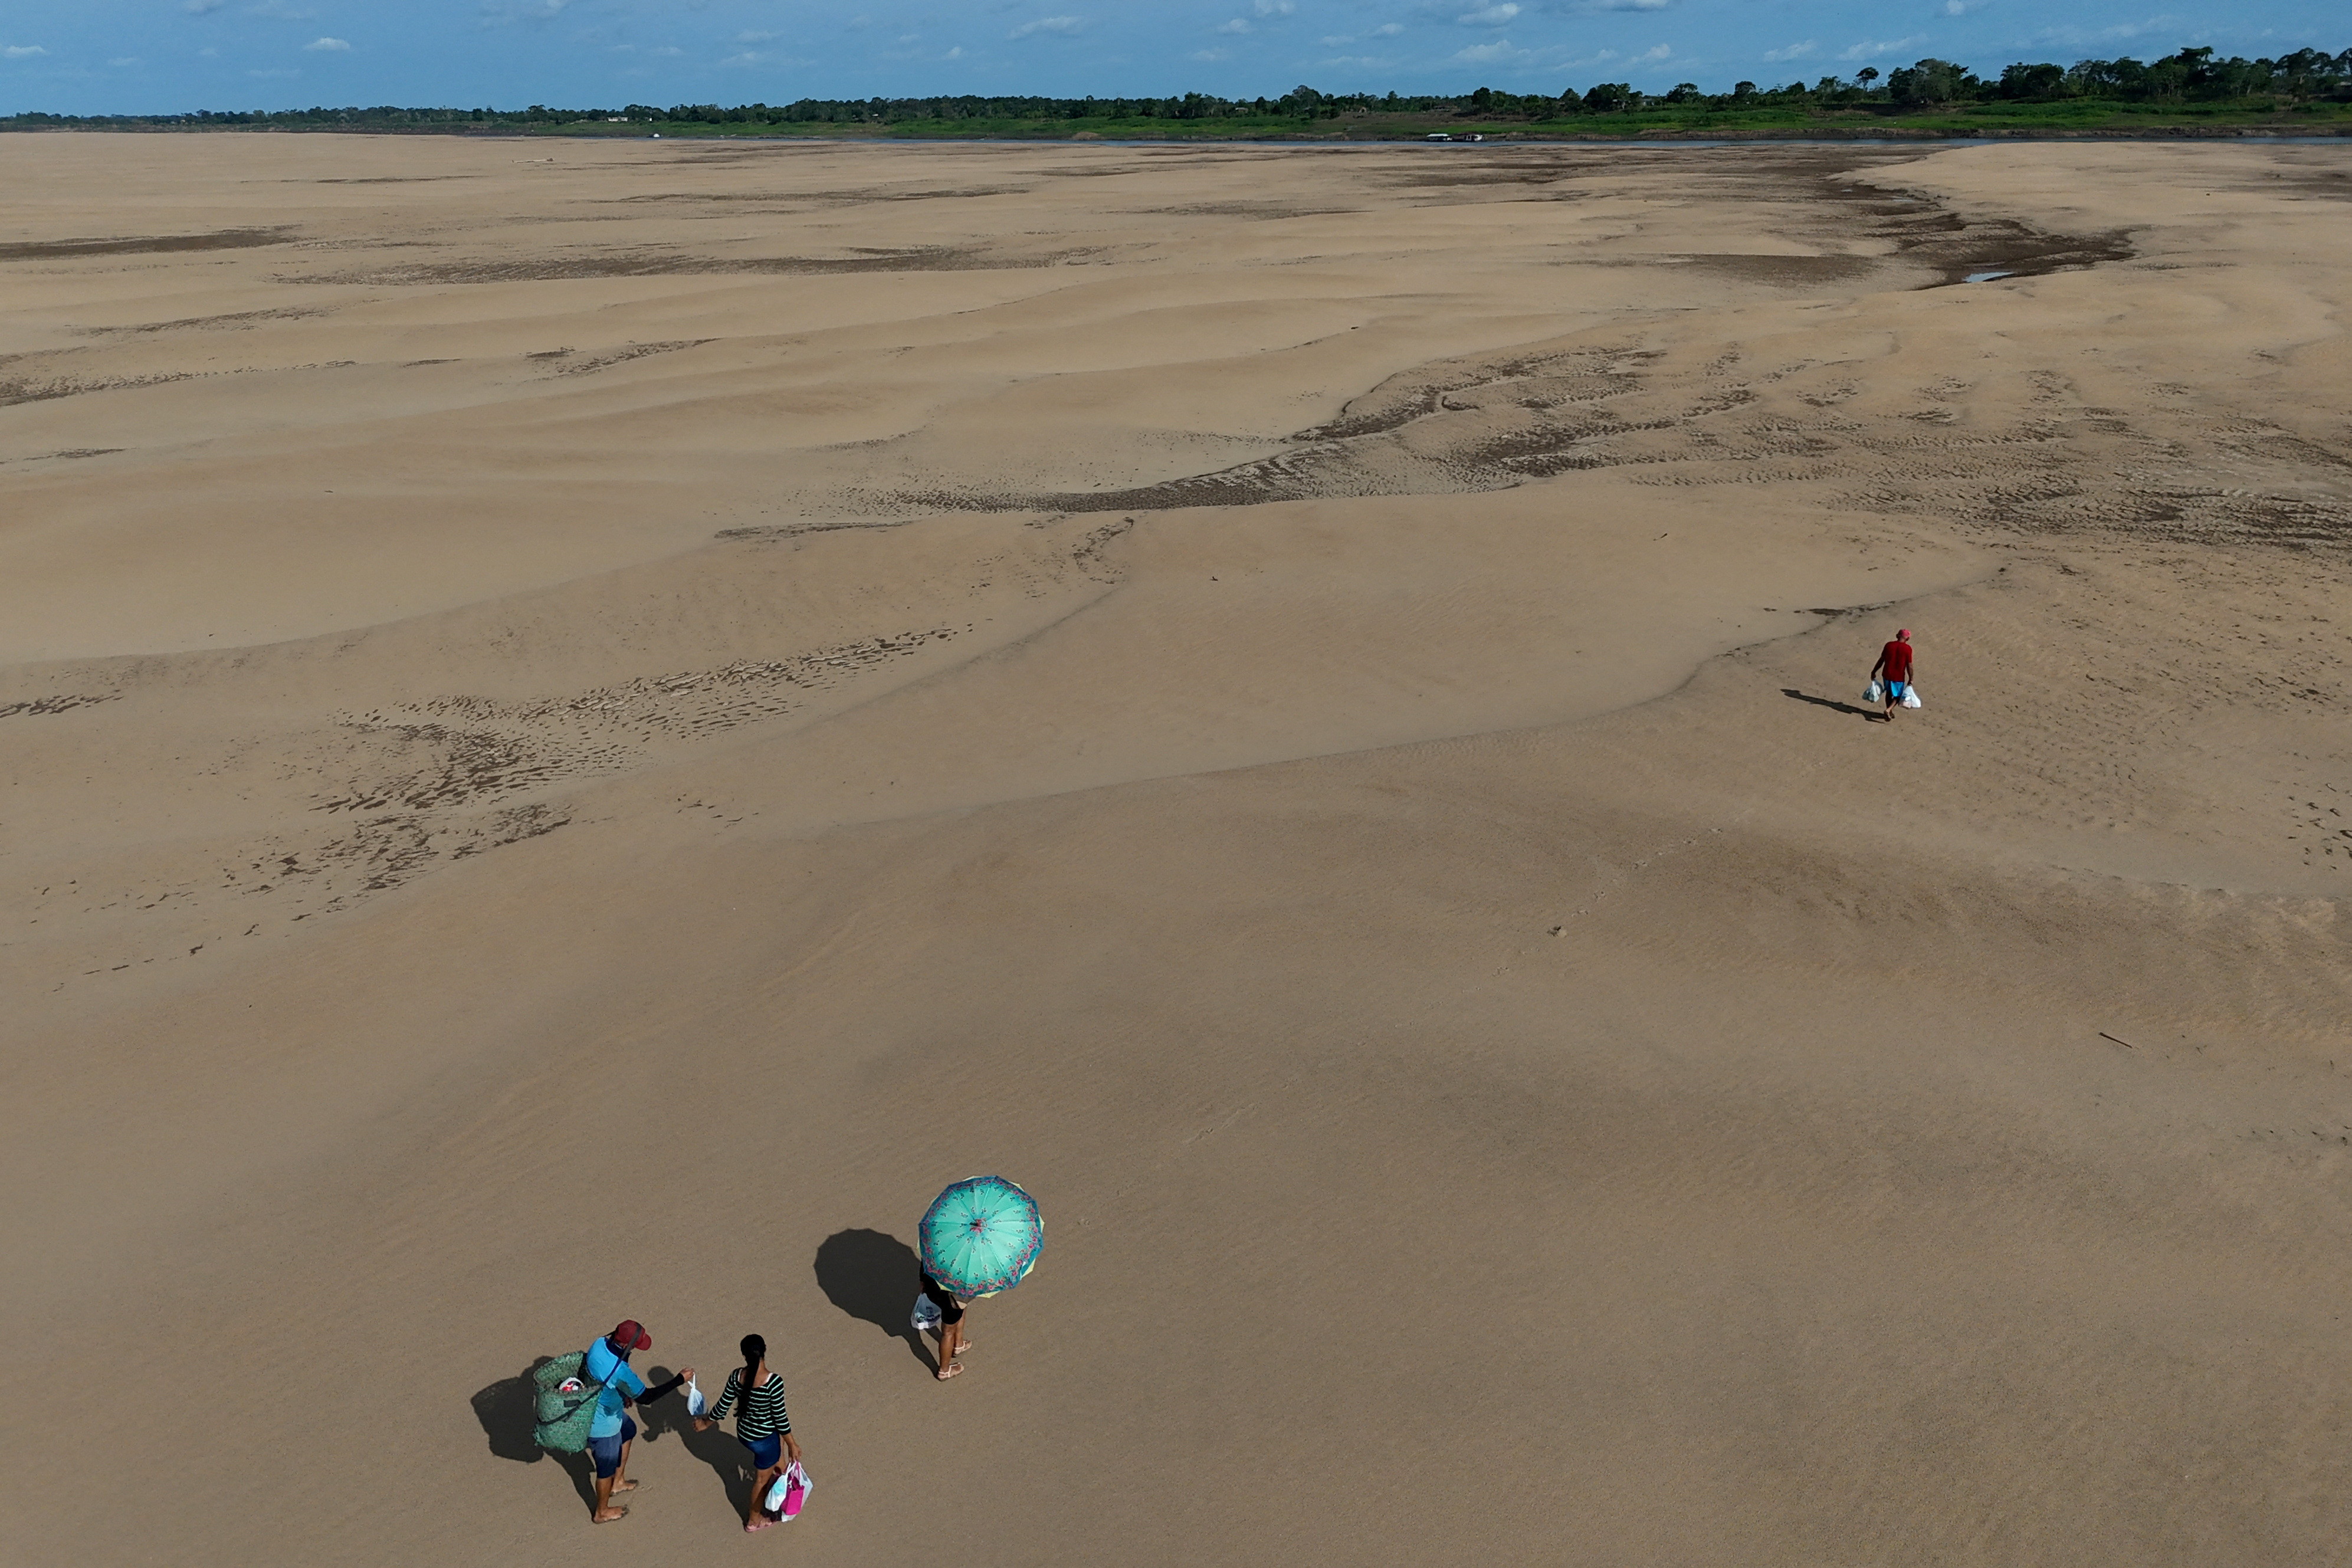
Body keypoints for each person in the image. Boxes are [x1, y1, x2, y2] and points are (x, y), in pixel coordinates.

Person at [582, 1319, 691, 1526]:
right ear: (625, 1345)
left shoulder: (598, 1344)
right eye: (634, 1345)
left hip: (606, 1407)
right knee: (604, 1468)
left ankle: (618, 1482)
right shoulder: (621, 1371)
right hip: (602, 1423)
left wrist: (622, 1392)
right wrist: (679, 1380)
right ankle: (601, 1512)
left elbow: (602, 1376)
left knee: (629, 1430)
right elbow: (647, 1398)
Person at [695, 1333, 802, 1533]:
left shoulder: (737, 1376)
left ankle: (777, 1476)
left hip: (745, 1434)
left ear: (744, 1355)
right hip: (765, 1440)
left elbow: (723, 1405)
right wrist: (792, 1444)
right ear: (765, 1350)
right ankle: (754, 1520)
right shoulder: (773, 1382)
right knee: (760, 1482)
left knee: (775, 1460)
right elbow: (780, 1418)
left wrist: (706, 1422)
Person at [920, 1270, 975, 1381]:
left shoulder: (940, 1252)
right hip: (955, 1296)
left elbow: (926, 1259)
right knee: (948, 1333)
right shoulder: (973, 1260)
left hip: (932, 1285)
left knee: (961, 1307)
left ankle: (958, 1344)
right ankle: (944, 1371)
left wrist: (922, 1279)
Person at [1869, 628, 1915, 723]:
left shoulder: (1889, 645)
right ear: (1908, 639)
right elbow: (1909, 665)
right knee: (1898, 696)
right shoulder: (1907, 649)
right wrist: (1911, 678)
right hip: (1898, 676)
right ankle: (1889, 710)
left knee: (1889, 693)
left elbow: (1882, 660)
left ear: (1897, 636)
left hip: (1886, 674)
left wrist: (1874, 671)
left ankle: (1890, 712)